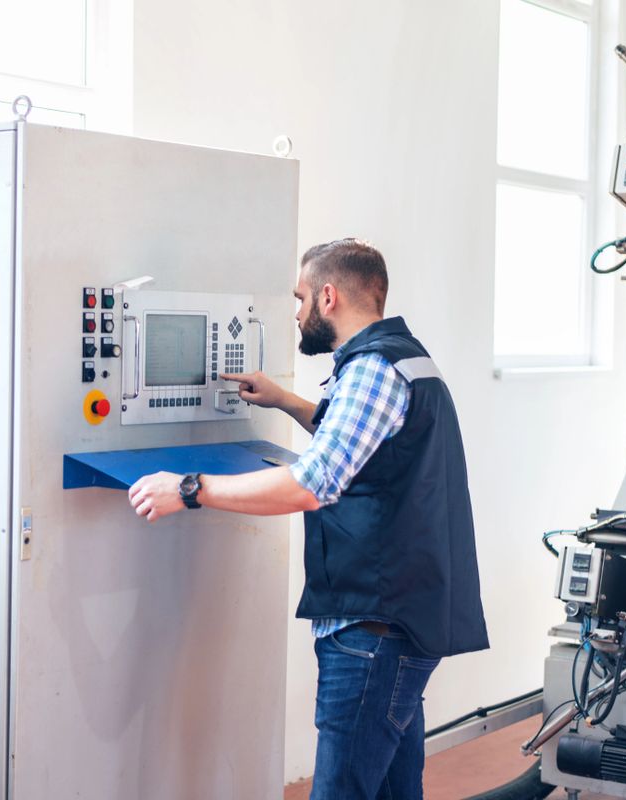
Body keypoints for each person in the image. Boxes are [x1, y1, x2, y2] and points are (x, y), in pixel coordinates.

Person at [128, 238, 489, 800]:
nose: (296, 312)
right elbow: (371, 445)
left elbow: (311, 485)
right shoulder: (404, 357)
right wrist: (286, 401)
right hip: (401, 620)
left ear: (327, 296)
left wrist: (190, 490)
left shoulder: (371, 369)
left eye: (299, 298)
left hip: (372, 630)